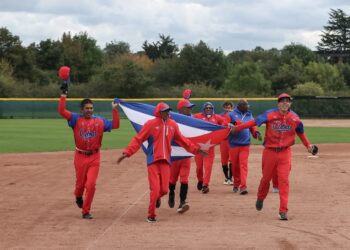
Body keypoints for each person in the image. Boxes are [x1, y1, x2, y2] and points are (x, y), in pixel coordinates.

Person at [231, 93, 317, 220]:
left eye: (287, 101)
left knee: (284, 181)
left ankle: (283, 210)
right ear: (278, 103)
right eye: (282, 101)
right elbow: (253, 122)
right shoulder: (270, 114)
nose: (285, 103)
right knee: (265, 179)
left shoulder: (295, 118)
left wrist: (308, 146)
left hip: (285, 153)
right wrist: (237, 128)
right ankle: (260, 197)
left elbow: (301, 134)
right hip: (270, 152)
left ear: (290, 104)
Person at [117, 102, 206, 223]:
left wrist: (196, 149)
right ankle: (151, 215)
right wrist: (127, 152)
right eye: (165, 111)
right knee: (154, 189)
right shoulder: (150, 124)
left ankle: (157, 198)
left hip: (166, 162)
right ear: (159, 112)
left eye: (168, 111)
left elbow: (183, 141)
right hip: (153, 161)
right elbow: (139, 139)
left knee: (164, 190)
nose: (168, 113)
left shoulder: (173, 124)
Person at [58, 85, 120, 219]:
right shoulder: (75, 119)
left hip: (94, 157)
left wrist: (114, 110)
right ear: (82, 109)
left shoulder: (100, 121)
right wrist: (63, 96)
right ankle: (78, 196)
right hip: (80, 156)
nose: (89, 110)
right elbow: (62, 111)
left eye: (91, 108)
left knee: (91, 184)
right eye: (86, 108)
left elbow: (115, 125)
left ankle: (86, 211)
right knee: (80, 185)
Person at [168, 99, 196, 214]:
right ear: (181, 110)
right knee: (172, 180)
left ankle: (182, 202)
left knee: (184, 179)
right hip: (174, 154)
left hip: (186, 154)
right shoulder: (172, 120)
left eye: (191, 107)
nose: (190, 109)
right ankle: (171, 193)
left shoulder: (192, 120)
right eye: (188, 108)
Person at [228, 99, 262, 195]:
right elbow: (226, 127)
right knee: (235, 166)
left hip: (245, 144)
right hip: (234, 144)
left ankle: (243, 186)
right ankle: (236, 183)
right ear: (240, 106)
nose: (248, 107)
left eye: (248, 105)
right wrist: (233, 127)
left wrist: (256, 133)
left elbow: (252, 127)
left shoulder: (249, 115)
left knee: (243, 165)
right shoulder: (231, 114)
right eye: (246, 105)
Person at [193, 102, 226, 193]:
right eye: (206, 108)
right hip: (198, 147)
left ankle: (205, 185)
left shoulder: (216, 117)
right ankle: (200, 180)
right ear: (203, 109)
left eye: (210, 108)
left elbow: (224, 121)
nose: (208, 109)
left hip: (210, 147)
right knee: (199, 167)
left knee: (208, 167)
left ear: (213, 109)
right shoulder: (197, 116)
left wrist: (222, 126)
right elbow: (188, 120)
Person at [219, 101, 234, 185]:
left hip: (232, 140)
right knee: (224, 160)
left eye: (229, 107)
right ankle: (226, 177)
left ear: (232, 108)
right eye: (226, 107)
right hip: (223, 140)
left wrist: (232, 123)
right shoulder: (220, 116)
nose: (228, 109)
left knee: (232, 160)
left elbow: (238, 124)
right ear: (224, 108)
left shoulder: (234, 115)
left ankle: (230, 178)